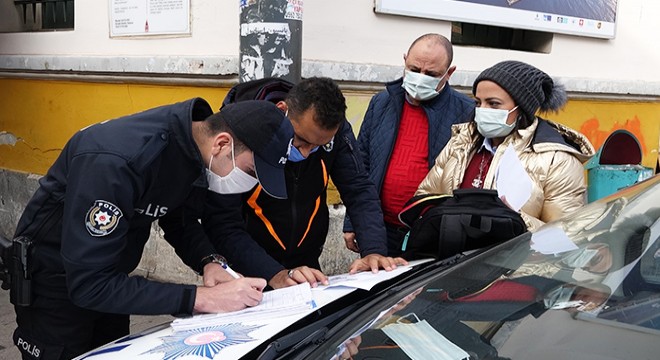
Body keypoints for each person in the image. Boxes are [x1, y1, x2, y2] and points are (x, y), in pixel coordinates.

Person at [9, 98, 293, 359]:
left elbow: (179, 219)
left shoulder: (194, 150)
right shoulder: (117, 161)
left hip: (112, 280)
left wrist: (210, 262)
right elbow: (88, 284)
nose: (251, 183)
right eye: (252, 172)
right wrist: (200, 298)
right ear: (221, 144)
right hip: (55, 288)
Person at [214, 77, 407, 289]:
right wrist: (274, 274)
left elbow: (359, 189)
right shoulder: (241, 135)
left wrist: (374, 251)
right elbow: (223, 222)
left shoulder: (336, 131)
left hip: (306, 267)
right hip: (244, 270)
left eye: (319, 146)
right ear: (282, 110)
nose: (306, 153)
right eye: (301, 141)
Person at [416, 60, 595, 230]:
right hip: (452, 259)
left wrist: (514, 220)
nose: (482, 110)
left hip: (515, 261)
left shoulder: (557, 160)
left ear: (521, 108)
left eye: (494, 104)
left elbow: (565, 235)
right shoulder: (460, 142)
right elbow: (425, 199)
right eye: (478, 102)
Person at [343, 33, 475, 256]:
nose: (421, 78)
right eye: (414, 70)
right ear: (405, 60)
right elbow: (360, 164)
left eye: (431, 74)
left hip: (433, 236)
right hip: (379, 231)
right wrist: (352, 221)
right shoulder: (381, 103)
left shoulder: (466, 112)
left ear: (449, 73)